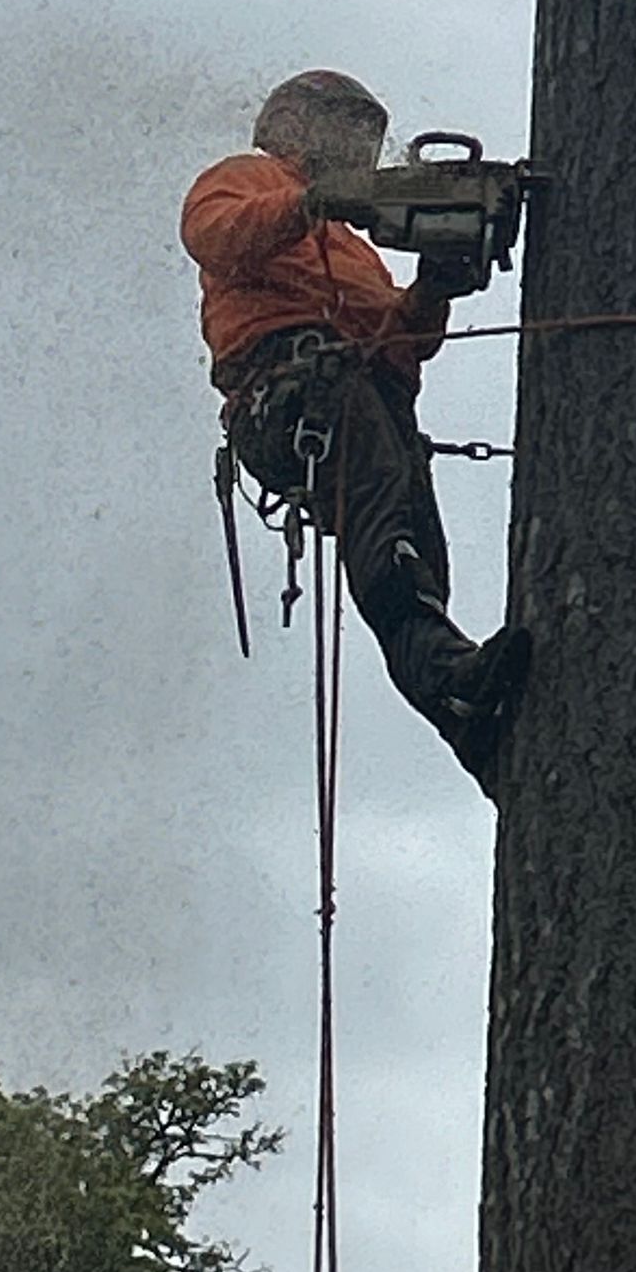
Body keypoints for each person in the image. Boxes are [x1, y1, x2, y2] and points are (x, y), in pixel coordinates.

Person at [181, 70, 529, 791]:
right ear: (301, 127)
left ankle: (465, 718)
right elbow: (215, 236)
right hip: (293, 391)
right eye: (350, 136)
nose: (362, 155)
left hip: (364, 399)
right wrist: (309, 201)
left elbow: (398, 349)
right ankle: (453, 679)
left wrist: (431, 289)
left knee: (416, 557)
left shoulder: (351, 243)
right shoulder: (247, 181)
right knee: (383, 528)